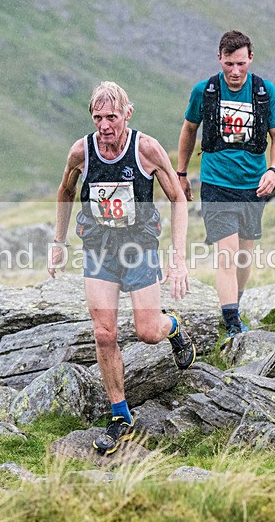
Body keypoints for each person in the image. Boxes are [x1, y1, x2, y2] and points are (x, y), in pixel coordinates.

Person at [49, 81, 194, 456]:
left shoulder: (145, 149)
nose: (104, 125)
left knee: (148, 332)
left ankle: (172, 325)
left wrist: (178, 260)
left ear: (127, 113)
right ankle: (120, 415)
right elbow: (65, 192)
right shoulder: (82, 151)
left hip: (139, 249)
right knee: (103, 333)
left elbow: (178, 199)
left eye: (111, 117)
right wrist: (59, 242)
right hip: (99, 249)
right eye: (97, 118)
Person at [177, 30, 275, 345]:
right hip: (215, 184)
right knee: (227, 254)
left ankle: (234, 306)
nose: (235, 72)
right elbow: (189, 130)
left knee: (244, 255)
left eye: (240, 63)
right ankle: (232, 323)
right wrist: (181, 173)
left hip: (253, 185)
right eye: (229, 64)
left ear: (250, 59)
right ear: (219, 60)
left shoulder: (265, 92)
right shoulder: (205, 91)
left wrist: (274, 170)